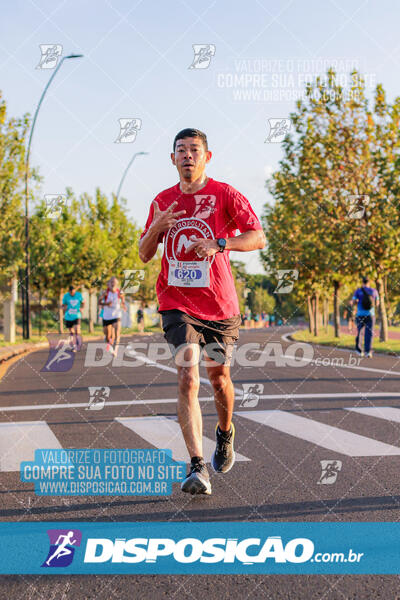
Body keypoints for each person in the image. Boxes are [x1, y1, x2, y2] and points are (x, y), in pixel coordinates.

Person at [139, 128, 265, 495]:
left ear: (207, 157)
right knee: (187, 377)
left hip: (219, 304)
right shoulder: (162, 201)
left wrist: (219, 243)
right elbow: (145, 253)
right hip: (177, 303)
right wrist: (157, 228)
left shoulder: (225, 194)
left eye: (195, 150)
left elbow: (257, 236)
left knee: (219, 379)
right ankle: (196, 466)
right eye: (181, 150)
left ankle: (225, 433)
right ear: (173, 158)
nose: (188, 155)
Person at [351, 276, 379, 358]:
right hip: (370, 314)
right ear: (369, 282)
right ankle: (368, 351)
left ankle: (359, 350)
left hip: (360, 314)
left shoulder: (358, 291)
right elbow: (377, 303)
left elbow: (353, 302)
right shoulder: (374, 291)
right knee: (369, 333)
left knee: (360, 332)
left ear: (362, 282)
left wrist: (355, 303)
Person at [99, 277, 126, 354]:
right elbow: (99, 302)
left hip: (116, 315)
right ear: (109, 284)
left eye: (114, 282)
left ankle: (116, 350)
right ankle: (108, 343)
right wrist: (106, 304)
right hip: (107, 316)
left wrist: (123, 305)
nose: (113, 284)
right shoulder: (105, 292)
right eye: (111, 282)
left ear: (117, 284)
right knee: (108, 336)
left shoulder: (119, 292)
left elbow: (122, 298)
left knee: (117, 332)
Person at [62, 285, 84, 352]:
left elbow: (83, 303)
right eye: (71, 292)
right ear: (69, 291)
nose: (72, 293)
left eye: (73, 291)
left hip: (77, 315)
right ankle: (73, 345)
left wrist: (82, 308)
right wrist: (63, 309)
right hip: (68, 316)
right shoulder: (66, 296)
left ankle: (77, 345)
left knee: (77, 330)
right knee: (71, 332)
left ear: (75, 290)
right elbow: (63, 305)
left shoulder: (79, 295)